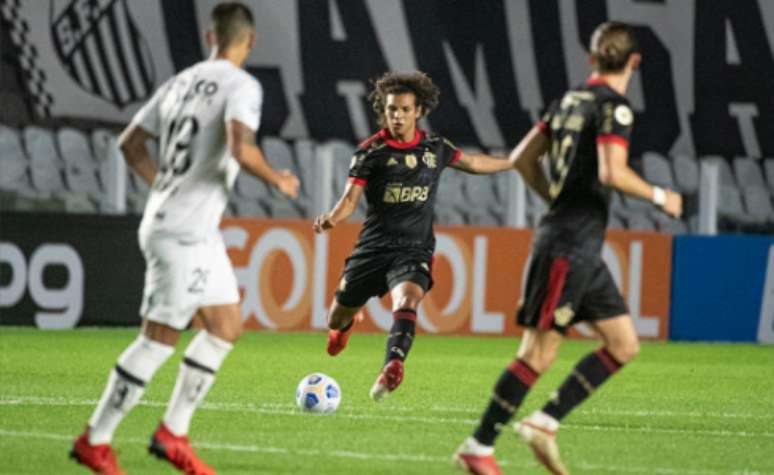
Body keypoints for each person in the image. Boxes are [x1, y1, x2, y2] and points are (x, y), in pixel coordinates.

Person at [69, 3, 299, 474]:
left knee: (225, 325)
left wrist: (163, 186)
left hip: (189, 226)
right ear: (249, 41)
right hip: (181, 232)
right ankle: (96, 438)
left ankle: (173, 432)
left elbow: (130, 143)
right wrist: (278, 180)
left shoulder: (179, 81)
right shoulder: (242, 85)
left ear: (208, 35)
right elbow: (240, 146)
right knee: (158, 339)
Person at [454, 21, 682, 475]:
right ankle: (478, 446)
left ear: (592, 58)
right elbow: (611, 172)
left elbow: (521, 158)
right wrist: (661, 196)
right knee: (537, 353)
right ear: (635, 62)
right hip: (568, 244)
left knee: (623, 343)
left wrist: (553, 196)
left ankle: (543, 422)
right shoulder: (614, 108)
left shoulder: (569, 100)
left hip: (579, 245)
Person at [313, 71, 517, 402]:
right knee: (336, 315)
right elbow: (350, 199)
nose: (397, 116)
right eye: (391, 109)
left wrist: (514, 163)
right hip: (373, 248)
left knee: (407, 299)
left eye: (404, 109)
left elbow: (476, 163)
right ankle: (345, 326)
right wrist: (331, 219)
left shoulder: (435, 149)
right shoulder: (370, 152)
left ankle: (393, 365)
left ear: (418, 111)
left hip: (413, 249)